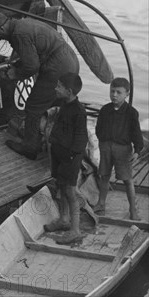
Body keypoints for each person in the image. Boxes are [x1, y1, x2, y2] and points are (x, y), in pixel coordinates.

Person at [0, 11, 80, 160]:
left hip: (57, 67)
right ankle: (54, 141)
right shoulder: (23, 24)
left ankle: (29, 147)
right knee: (57, 103)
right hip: (70, 60)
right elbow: (34, 54)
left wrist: (14, 73)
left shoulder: (18, 35)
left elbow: (31, 66)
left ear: (2, 29)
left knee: (34, 106)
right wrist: (17, 64)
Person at [43, 72, 88, 245]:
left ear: (69, 91)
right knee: (61, 187)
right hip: (60, 154)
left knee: (70, 191)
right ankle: (63, 219)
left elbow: (81, 138)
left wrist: (71, 155)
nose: (56, 88)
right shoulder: (64, 104)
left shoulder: (79, 111)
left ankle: (75, 230)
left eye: (59, 86)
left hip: (70, 158)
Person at [93, 77, 143, 220]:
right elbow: (98, 128)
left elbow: (136, 133)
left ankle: (133, 209)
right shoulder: (104, 110)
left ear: (127, 94)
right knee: (104, 175)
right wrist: (103, 141)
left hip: (123, 149)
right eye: (112, 91)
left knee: (127, 179)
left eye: (119, 92)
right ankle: (101, 204)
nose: (114, 95)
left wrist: (138, 151)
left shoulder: (132, 113)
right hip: (106, 147)